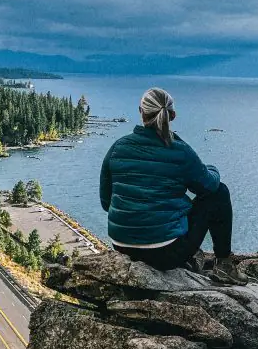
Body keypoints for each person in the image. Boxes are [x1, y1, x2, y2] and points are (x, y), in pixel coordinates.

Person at [99, 87, 247, 283]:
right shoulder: (179, 151)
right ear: (173, 116)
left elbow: (106, 202)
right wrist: (211, 168)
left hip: (122, 246)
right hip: (166, 253)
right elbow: (210, 186)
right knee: (220, 193)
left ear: (140, 111)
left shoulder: (118, 147)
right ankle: (224, 266)